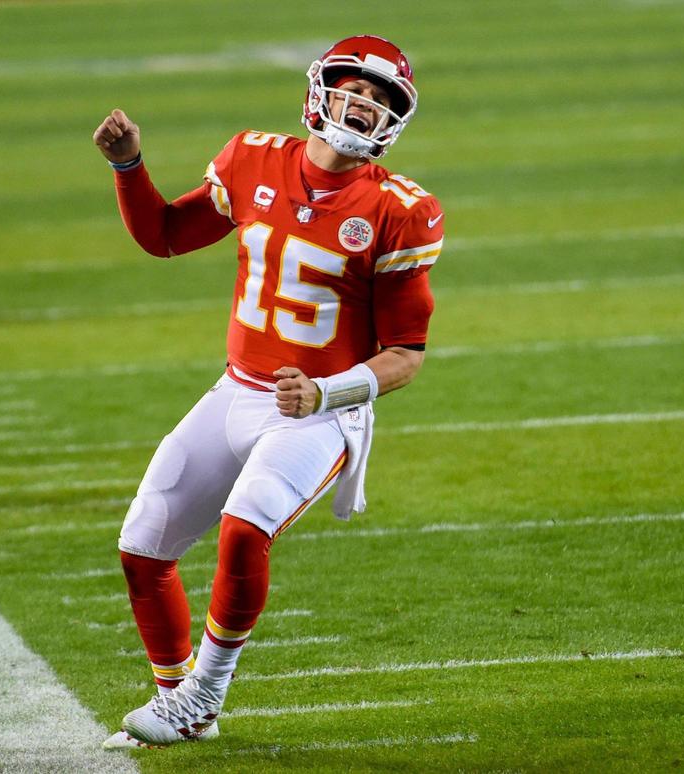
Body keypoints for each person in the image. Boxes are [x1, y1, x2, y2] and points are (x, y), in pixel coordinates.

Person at [91, 35, 443, 749]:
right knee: (143, 547)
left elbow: (406, 356)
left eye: (380, 99)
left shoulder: (399, 209)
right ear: (319, 90)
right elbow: (164, 235)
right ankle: (179, 699)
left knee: (245, 529)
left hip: (319, 412)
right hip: (237, 390)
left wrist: (325, 393)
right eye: (355, 88)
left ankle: (203, 695)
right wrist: (129, 165)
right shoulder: (252, 158)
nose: (364, 104)